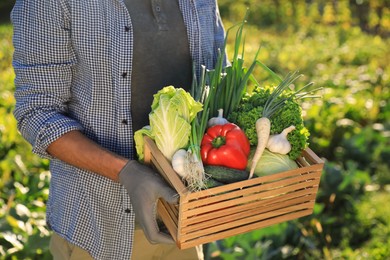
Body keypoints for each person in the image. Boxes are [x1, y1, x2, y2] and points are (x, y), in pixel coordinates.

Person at [11, 0, 226, 259]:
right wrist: (126, 173)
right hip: (99, 232)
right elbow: (38, 113)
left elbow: (219, 81)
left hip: (185, 221)